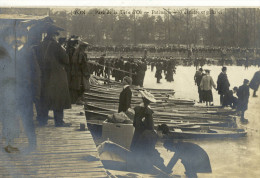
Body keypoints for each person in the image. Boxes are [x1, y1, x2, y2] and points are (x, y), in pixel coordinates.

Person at [36, 24, 71, 127]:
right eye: (56, 35)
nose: (57, 37)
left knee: (44, 98)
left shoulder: (40, 45)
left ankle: (42, 120)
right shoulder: (56, 45)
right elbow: (66, 60)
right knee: (58, 99)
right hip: (56, 76)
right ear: (53, 35)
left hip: (44, 76)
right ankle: (59, 121)